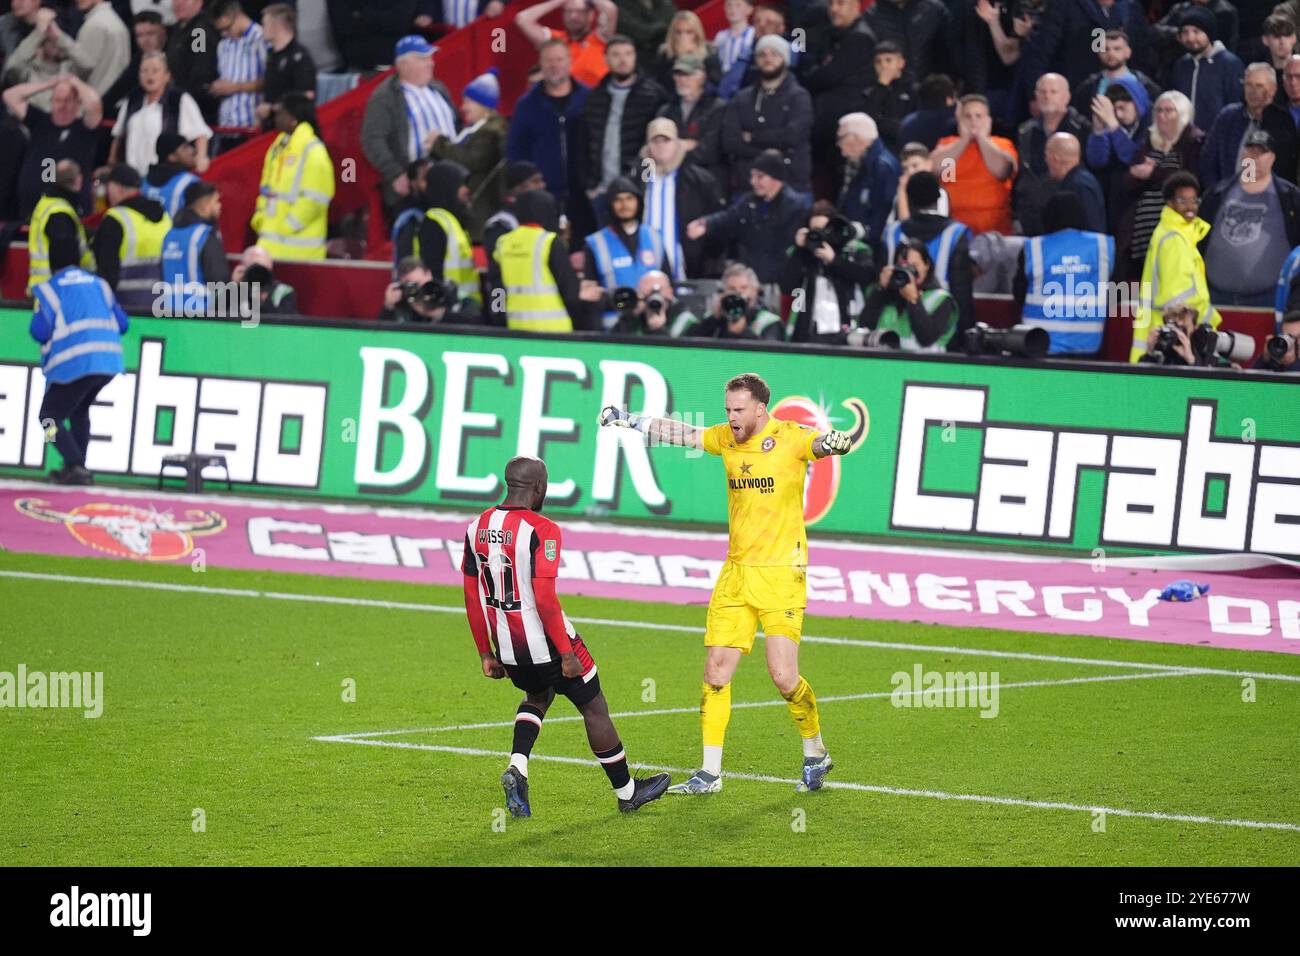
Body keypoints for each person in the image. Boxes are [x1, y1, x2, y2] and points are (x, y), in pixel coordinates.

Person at [598, 373, 853, 794]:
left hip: (781, 575)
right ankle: (710, 773)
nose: (732, 417)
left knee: (783, 676)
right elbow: (683, 433)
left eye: (739, 410)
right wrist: (630, 420)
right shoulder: (726, 439)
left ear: (759, 408)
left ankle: (815, 752)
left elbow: (818, 444)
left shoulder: (788, 437)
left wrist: (832, 443)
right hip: (736, 574)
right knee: (716, 672)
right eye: (727, 410)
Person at [462, 454, 672, 816]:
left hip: (508, 647)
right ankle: (627, 793)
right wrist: (566, 651)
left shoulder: (475, 527)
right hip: (546, 642)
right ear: (539, 487)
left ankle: (518, 767)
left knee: (537, 694)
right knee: (593, 704)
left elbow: (470, 594)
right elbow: (544, 597)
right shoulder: (543, 530)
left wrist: (485, 652)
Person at [30, 238, 129, 486]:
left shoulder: (50, 289)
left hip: (74, 363)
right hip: (108, 361)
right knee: (79, 411)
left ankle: (74, 463)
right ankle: (76, 467)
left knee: (49, 418)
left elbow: (39, 331)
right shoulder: (100, 284)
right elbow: (123, 324)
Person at [1199, 130, 1300, 307]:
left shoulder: (1290, 197)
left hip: (1269, 298)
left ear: (1273, 158)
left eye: (1261, 152)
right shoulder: (1217, 193)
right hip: (1215, 296)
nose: (1255, 157)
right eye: (1251, 151)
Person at [360, 35, 457, 213]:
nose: (431, 63)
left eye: (430, 57)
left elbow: (456, 124)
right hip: (415, 187)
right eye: (423, 59)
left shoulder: (438, 88)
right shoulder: (384, 97)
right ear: (403, 65)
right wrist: (395, 173)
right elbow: (371, 140)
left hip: (450, 179)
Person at [1131, 170, 1221, 362]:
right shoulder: (1174, 240)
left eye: (1194, 200)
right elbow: (1177, 299)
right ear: (1169, 203)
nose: (1190, 206)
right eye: (1182, 200)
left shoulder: (1179, 234)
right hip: (1177, 333)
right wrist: (1201, 322)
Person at [688, 149, 809, 288]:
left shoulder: (795, 206)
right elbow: (728, 217)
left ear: (776, 177)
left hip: (780, 282)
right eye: (752, 176)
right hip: (751, 280)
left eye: (760, 176)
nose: (753, 182)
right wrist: (705, 223)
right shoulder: (749, 201)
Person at [505, 39, 591, 235]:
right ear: (541, 64)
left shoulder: (589, 98)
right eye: (549, 60)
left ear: (569, 62)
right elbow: (515, 151)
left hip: (583, 196)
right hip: (541, 197)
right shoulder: (526, 105)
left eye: (559, 59)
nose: (554, 66)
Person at [1013, 192, 1114, 356]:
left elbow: (1018, 293)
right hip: (1088, 347)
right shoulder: (1102, 246)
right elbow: (1117, 292)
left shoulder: (1034, 248)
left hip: (1039, 346)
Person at [1118, 90, 1203, 280]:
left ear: (1182, 114)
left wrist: (1153, 173)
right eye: (1159, 111)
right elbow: (1128, 184)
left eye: (1169, 111)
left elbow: (1190, 180)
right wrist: (1135, 175)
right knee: (1132, 298)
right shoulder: (1148, 142)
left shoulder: (1193, 141)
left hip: (1175, 235)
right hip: (1141, 236)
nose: (1162, 116)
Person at [879, 170, 975, 337]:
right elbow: (962, 290)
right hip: (941, 321)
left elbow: (880, 281)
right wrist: (965, 332)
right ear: (939, 197)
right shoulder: (956, 233)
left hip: (895, 324)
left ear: (908, 198)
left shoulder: (891, 232)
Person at [581, 34, 668, 204]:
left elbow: (654, 145)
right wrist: (589, 184)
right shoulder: (594, 98)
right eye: (616, 55)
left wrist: (647, 183)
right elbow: (583, 145)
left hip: (638, 188)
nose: (623, 60)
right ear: (605, 59)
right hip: (601, 190)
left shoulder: (654, 95)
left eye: (628, 54)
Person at [721, 33, 812, 195]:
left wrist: (753, 137)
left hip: (791, 185)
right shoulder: (741, 98)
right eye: (762, 54)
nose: (768, 59)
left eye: (775, 54)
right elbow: (730, 142)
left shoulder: (799, 96)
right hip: (747, 187)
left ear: (785, 58)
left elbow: (793, 135)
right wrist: (771, 153)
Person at [4, 74, 101, 218]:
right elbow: (10, 95)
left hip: (68, 209)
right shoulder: (40, 121)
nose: (62, 106)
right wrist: (49, 84)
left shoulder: (85, 128)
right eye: (58, 100)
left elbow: (94, 103)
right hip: (32, 210)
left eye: (68, 100)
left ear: (78, 103)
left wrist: (74, 81)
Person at [798, 0, 876, 178]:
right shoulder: (830, 34)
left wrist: (813, 74)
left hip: (845, 127)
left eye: (840, 3)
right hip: (826, 127)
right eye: (831, 4)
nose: (833, 9)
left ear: (856, 6)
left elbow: (826, 76)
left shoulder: (860, 38)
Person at [252, 93, 334, 261]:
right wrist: (260, 218)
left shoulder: (313, 150)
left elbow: (315, 198)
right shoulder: (277, 147)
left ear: (293, 119)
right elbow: (266, 189)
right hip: (269, 245)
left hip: (299, 250)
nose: (276, 117)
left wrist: (289, 225)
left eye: (281, 113)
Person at [428, 69, 507, 243]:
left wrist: (438, 144)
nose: (463, 107)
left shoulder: (491, 132)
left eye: (468, 102)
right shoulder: (475, 129)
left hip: (480, 214)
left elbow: (469, 160)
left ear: (484, 105)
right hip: (472, 212)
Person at [492, 188, 587, 331]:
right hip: (555, 329)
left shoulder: (503, 243)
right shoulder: (549, 242)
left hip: (516, 327)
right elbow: (570, 294)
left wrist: (500, 318)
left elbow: (496, 288)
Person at [782, 199, 874, 344]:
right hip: (809, 331)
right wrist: (800, 250)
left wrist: (834, 260)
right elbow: (787, 286)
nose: (821, 235)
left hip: (846, 329)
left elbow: (866, 276)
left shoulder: (854, 250)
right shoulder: (801, 254)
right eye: (815, 230)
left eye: (825, 229)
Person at [109, 52, 213, 177]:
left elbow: (200, 133)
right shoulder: (132, 99)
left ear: (167, 76)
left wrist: (201, 157)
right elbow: (119, 135)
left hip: (166, 174)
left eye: (155, 71)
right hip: (133, 175)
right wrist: (112, 161)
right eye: (144, 71)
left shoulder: (179, 99)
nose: (149, 75)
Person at [1013, 73, 1092, 236]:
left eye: (1053, 92)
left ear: (1066, 97)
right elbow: (1023, 174)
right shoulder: (1025, 131)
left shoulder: (1083, 128)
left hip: (1070, 217)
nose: (1047, 96)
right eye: (1042, 92)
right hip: (1032, 216)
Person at [581, 176, 665, 328]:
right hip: (614, 328)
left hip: (652, 325)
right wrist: (626, 306)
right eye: (618, 200)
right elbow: (592, 296)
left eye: (629, 198)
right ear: (610, 204)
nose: (624, 205)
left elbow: (668, 284)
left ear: (638, 202)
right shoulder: (595, 243)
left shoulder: (655, 237)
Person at [1200, 62, 1300, 188]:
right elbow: (1208, 161)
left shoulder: (1283, 121)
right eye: (1248, 85)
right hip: (1228, 197)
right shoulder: (1227, 117)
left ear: (1273, 89)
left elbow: (1288, 171)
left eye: (1259, 86)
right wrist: (1218, 193)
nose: (1253, 91)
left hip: (1269, 199)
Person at [931, 93, 1017, 235]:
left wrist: (982, 138)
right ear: (959, 120)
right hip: (954, 229)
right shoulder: (948, 145)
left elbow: (1001, 171)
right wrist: (964, 140)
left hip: (994, 231)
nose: (973, 121)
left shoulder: (1002, 144)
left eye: (978, 116)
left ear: (988, 121)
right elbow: (939, 172)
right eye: (967, 116)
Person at [92, 164, 171, 315]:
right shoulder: (164, 216)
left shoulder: (115, 218)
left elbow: (107, 268)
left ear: (117, 188)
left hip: (125, 306)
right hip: (162, 305)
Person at [860, 236, 958, 352]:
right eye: (904, 266)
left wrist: (914, 300)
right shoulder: (884, 294)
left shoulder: (940, 299)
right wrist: (880, 289)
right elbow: (864, 326)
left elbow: (926, 338)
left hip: (923, 367)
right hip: (884, 365)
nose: (909, 273)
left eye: (914, 266)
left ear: (927, 265)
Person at [1085, 79, 1150, 240]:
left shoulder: (1151, 127)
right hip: (1115, 206)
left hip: (1142, 208)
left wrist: (1113, 125)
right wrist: (1099, 131)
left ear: (1137, 102)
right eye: (1114, 110)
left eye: (1123, 108)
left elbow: (1132, 157)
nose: (1119, 114)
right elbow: (1096, 161)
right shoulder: (1112, 127)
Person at [411, 161, 482, 305]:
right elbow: (432, 273)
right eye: (461, 184)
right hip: (447, 313)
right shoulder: (434, 223)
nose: (466, 190)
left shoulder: (453, 222)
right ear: (447, 187)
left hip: (462, 311)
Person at [655, 54, 727, 187]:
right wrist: (684, 145)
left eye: (687, 75)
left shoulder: (717, 108)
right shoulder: (665, 111)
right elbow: (651, 150)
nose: (682, 80)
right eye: (678, 75)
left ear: (702, 77)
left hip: (705, 183)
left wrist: (671, 149)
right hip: (669, 182)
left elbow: (710, 152)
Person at [160, 180, 230, 315]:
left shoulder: (169, 236)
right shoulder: (204, 236)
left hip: (169, 315)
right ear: (204, 204)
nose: (220, 206)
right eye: (216, 202)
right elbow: (220, 282)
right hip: (201, 317)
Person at [1169, 5, 1244, 131]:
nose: (1190, 38)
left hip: (1217, 140)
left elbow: (1236, 106)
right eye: (1185, 32)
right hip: (1184, 140)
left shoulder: (1230, 64)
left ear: (1209, 33)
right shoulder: (1181, 65)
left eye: (1196, 31)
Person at [515, 0, 619, 89]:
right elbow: (522, 19)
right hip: (560, 102)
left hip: (594, 103)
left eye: (580, 12)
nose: (573, 16)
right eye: (568, 11)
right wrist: (559, 1)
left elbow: (611, 10)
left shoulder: (600, 39)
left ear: (591, 15)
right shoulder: (553, 40)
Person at [26, 160, 94, 294]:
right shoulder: (60, 213)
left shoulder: (46, 204)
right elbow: (66, 263)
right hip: (59, 294)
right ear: (78, 180)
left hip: (43, 292)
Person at [835, 112, 900, 248]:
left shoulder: (884, 168)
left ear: (858, 139)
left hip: (870, 247)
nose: (843, 152)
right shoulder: (861, 165)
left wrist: (870, 239)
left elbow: (883, 212)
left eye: (842, 142)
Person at [1071, 28, 1162, 115]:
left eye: (1117, 49)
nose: (1111, 53)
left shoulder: (1148, 88)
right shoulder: (1087, 89)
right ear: (1099, 53)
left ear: (1128, 52)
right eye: (1106, 49)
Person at [257, 4, 317, 130]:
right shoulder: (272, 56)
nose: (262, 29)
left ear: (277, 26)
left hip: (293, 128)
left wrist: (272, 108)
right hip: (271, 126)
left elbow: (306, 95)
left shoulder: (299, 57)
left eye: (264, 24)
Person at [211, 1, 266, 135]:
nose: (224, 33)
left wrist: (236, 87)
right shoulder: (223, 45)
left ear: (238, 15)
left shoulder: (261, 38)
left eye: (227, 28)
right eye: (220, 30)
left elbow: (273, 82)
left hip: (251, 125)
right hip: (226, 126)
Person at [690, 263, 785, 340]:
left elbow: (770, 357)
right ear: (723, 292)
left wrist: (743, 332)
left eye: (743, 288)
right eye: (732, 289)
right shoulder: (715, 317)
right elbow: (687, 345)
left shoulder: (768, 321)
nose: (738, 293)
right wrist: (713, 319)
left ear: (754, 290)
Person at [380, 256, 483, 325]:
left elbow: (476, 322)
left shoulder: (450, 293)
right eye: (411, 286)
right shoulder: (403, 302)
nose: (418, 290)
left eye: (419, 283)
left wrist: (438, 313)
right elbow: (381, 335)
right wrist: (388, 306)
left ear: (429, 274)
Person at [166, 0, 220, 122]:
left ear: (199, 2)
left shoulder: (199, 31)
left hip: (197, 110)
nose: (179, 3)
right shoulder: (177, 29)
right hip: (180, 105)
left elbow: (201, 71)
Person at [862, 39, 917, 156]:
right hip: (878, 147)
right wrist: (882, 86)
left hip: (908, 147)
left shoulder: (914, 90)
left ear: (901, 63)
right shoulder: (870, 91)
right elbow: (867, 120)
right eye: (878, 62)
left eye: (888, 60)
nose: (883, 65)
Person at [650, 10, 720, 92]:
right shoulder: (665, 54)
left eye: (689, 32)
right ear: (672, 34)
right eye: (678, 32)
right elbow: (660, 85)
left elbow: (714, 85)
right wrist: (678, 58)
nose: (683, 37)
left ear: (697, 33)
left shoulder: (709, 52)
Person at [885, 140, 949, 230]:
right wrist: (902, 193)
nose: (910, 172)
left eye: (915, 166)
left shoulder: (939, 194)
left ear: (929, 165)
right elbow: (892, 231)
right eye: (905, 168)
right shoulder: (900, 196)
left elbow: (937, 229)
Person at [613, 269, 699, 335]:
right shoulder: (636, 315)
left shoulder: (685, 319)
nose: (651, 298)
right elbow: (613, 342)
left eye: (655, 292)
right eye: (644, 294)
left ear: (669, 292)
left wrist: (659, 329)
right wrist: (631, 316)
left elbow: (678, 354)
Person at [142, 132, 201, 219]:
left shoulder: (144, 181)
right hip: (176, 231)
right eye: (185, 148)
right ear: (172, 156)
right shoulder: (190, 182)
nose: (192, 150)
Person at [613, 0, 676, 64]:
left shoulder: (665, 4)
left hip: (667, 56)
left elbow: (676, 20)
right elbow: (640, 33)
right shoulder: (618, 6)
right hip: (638, 59)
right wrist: (666, 27)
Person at [713, 0, 755, 79]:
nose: (732, 9)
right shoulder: (720, 36)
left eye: (738, 5)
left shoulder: (753, 34)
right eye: (729, 5)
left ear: (749, 9)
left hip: (745, 79)